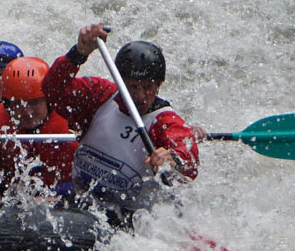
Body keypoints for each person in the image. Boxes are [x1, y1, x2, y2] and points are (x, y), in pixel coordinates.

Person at [42, 24, 199, 211]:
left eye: (147, 87)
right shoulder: (100, 96)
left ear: (159, 85)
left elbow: (188, 156)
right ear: (120, 82)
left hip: (128, 220)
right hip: (82, 200)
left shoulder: (164, 121)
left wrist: (173, 159)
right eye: (133, 86)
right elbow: (53, 91)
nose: (140, 96)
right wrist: (79, 53)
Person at [0, 56, 77, 202]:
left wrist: (59, 195)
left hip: (64, 194)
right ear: (7, 104)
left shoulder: (71, 119)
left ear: (48, 99)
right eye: (18, 104)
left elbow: (94, 176)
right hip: (11, 196)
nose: (27, 112)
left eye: (34, 102)